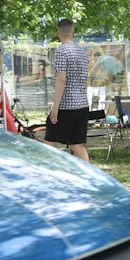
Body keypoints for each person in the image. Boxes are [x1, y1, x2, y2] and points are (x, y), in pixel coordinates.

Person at [47, 17, 92, 161]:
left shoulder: (61, 51)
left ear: (58, 33)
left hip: (67, 105)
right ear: (73, 32)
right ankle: (90, 175)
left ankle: (49, 173)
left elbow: (61, 79)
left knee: (49, 142)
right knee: (76, 145)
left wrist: (55, 108)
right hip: (83, 104)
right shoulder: (81, 51)